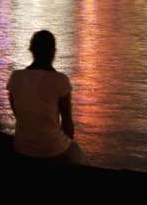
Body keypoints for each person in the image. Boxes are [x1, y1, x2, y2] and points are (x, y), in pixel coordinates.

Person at [6, 30, 89, 165]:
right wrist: (66, 143)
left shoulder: (15, 77)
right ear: (53, 51)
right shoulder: (60, 80)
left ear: (32, 51)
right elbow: (67, 125)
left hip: (21, 147)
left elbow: (18, 115)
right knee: (83, 160)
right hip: (52, 150)